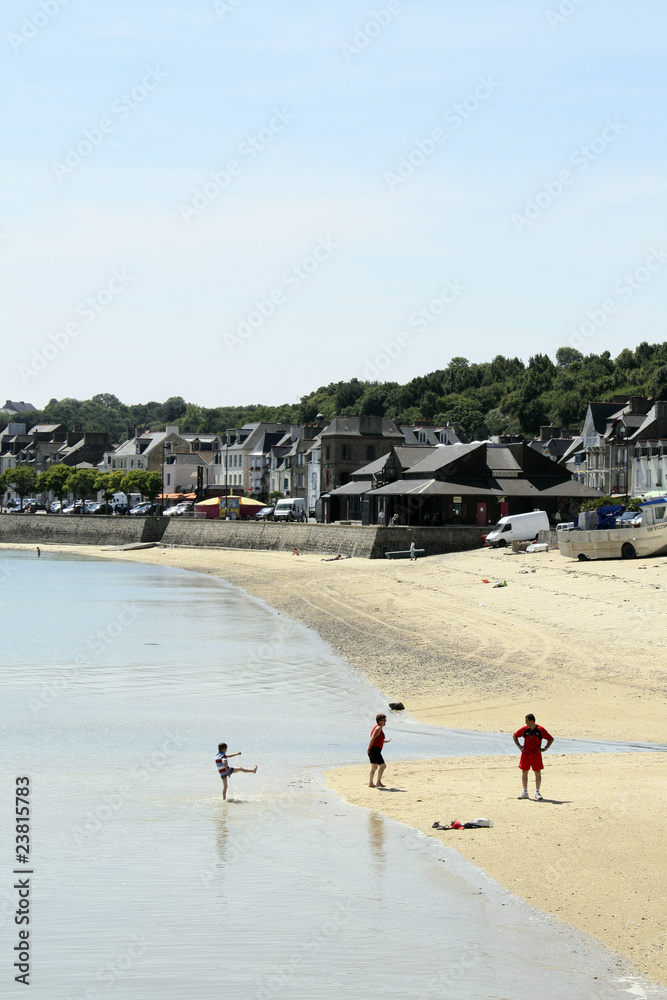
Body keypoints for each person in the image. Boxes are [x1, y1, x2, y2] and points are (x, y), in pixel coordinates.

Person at [513, 714, 554, 800]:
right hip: (526, 754)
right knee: (524, 772)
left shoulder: (540, 730)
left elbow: (550, 739)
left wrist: (544, 748)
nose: (526, 723)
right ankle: (525, 792)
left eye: (527, 721)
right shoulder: (525, 729)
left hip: (536, 754)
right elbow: (515, 735)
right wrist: (520, 746)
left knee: (537, 772)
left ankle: (537, 792)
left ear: (532, 721)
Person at [367, 713, 391, 788]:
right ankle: (378, 782)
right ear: (379, 721)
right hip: (374, 750)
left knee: (374, 767)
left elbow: (378, 739)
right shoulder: (378, 728)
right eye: (384, 720)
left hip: (373, 750)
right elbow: (373, 737)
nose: (385, 721)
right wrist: (369, 748)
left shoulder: (377, 728)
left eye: (385, 720)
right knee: (383, 766)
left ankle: (371, 783)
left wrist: (386, 741)